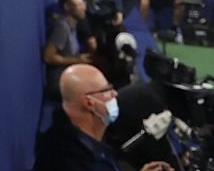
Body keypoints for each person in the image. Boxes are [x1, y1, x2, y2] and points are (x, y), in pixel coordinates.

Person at [40, 64, 173, 171]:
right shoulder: (69, 159)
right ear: (89, 103)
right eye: (106, 90)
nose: (114, 94)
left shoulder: (76, 137)